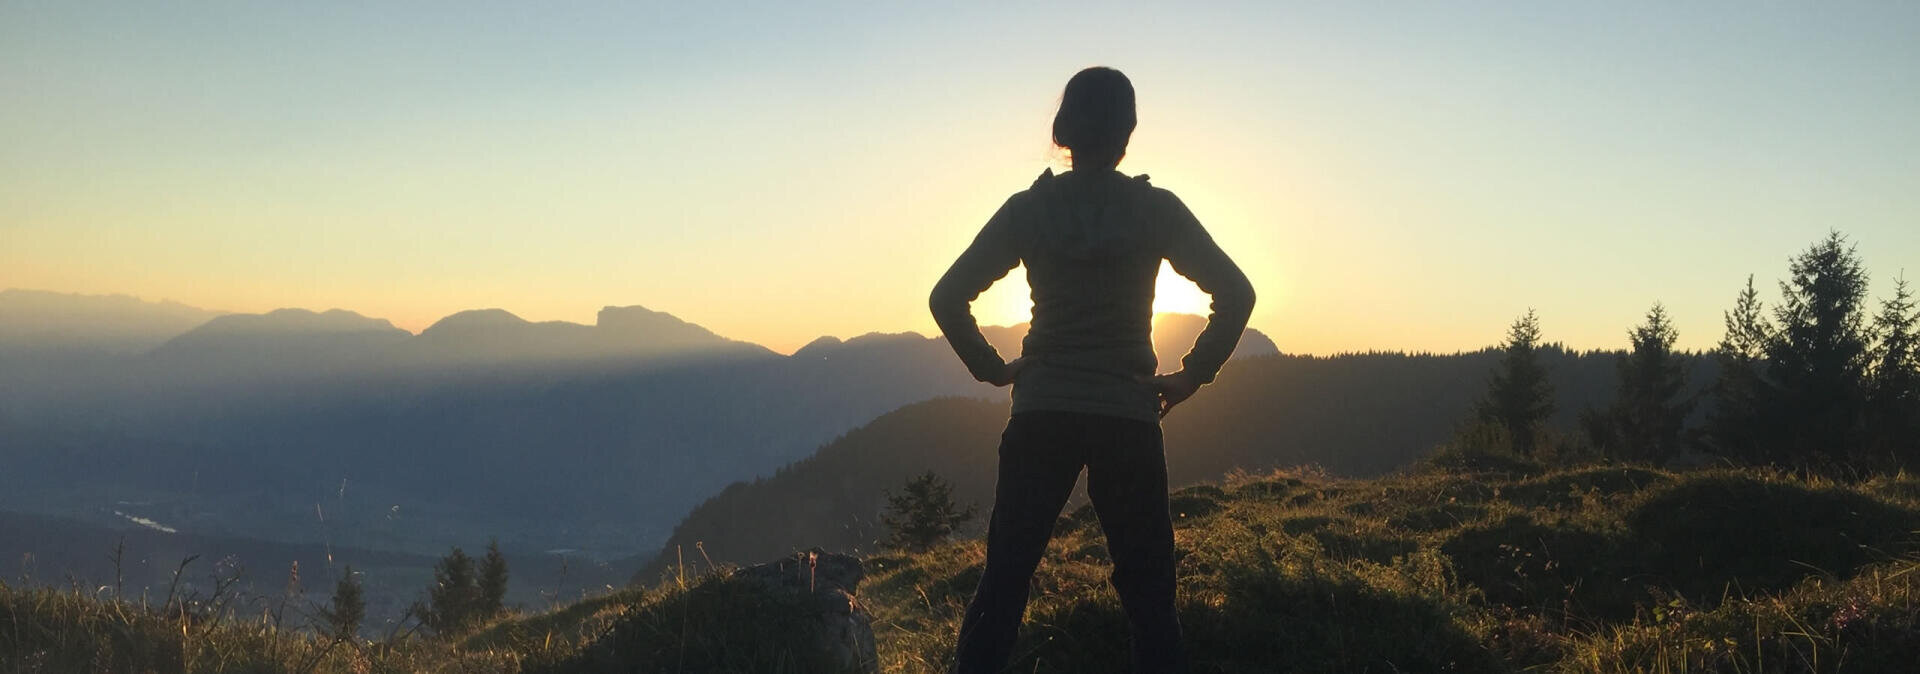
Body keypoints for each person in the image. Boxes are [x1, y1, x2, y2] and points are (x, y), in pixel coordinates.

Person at [929, 66, 1255, 674]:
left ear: (1063, 131)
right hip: (1128, 417)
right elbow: (1236, 292)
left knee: (1004, 581)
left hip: (1041, 413)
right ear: (1127, 130)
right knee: (1151, 593)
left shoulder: (1028, 210)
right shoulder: (1156, 209)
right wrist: (1191, 376)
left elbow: (947, 297)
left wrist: (993, 370)